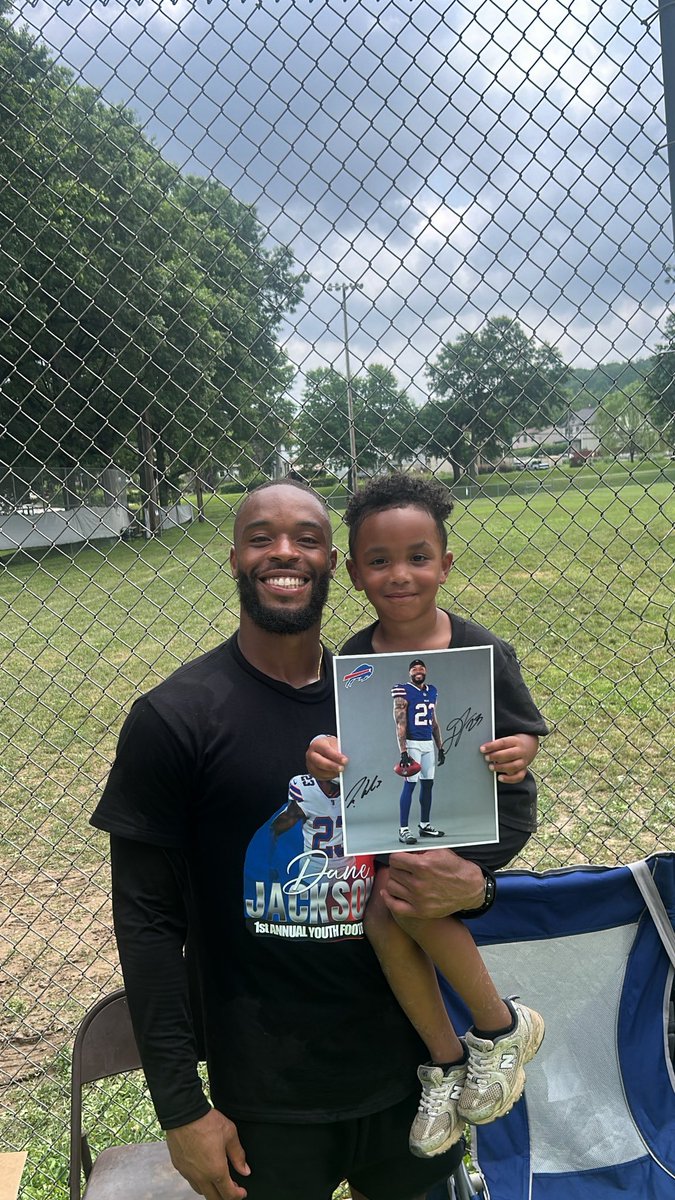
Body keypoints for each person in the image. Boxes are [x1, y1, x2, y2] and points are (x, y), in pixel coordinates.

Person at [91, 478, 491, 1200]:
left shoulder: (380, 691)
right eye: (261, 538)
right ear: (235, 558)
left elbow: (458, 840)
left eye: (306, 538)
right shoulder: (175, 718)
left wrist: (482, 886)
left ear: (333, 561)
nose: (285, 553)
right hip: (266, 1093)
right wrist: (181, 1108)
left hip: (411, 1076)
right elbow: (146, 924)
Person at [307, 473, 549, 1160]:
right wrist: (326, 756)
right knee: (383, 909)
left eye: (417, 556)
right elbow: (346, 745)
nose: (399, 574)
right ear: (353, 574)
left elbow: (525, 732)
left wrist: (516, 749)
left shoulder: (482, 651)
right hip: (400, 815)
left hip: (486, 815)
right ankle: (444, 1065)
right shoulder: (351, 662)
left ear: (444, 563)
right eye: (378, 561)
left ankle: (500, 1028)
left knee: (409, 896)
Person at [392, 658, 446, 844]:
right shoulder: (403, 691)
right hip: (412, 743)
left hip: (427, 744)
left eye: (421, 668)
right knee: (410, 784)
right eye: (414, 668)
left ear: (426, 671)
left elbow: (433, 720)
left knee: (428, 784)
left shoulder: (432, 691)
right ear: (409, 673)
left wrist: (440, 746)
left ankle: (424, 825)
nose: (418, 670)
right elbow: (400, 723)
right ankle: (403, 829)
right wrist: (403, 751)